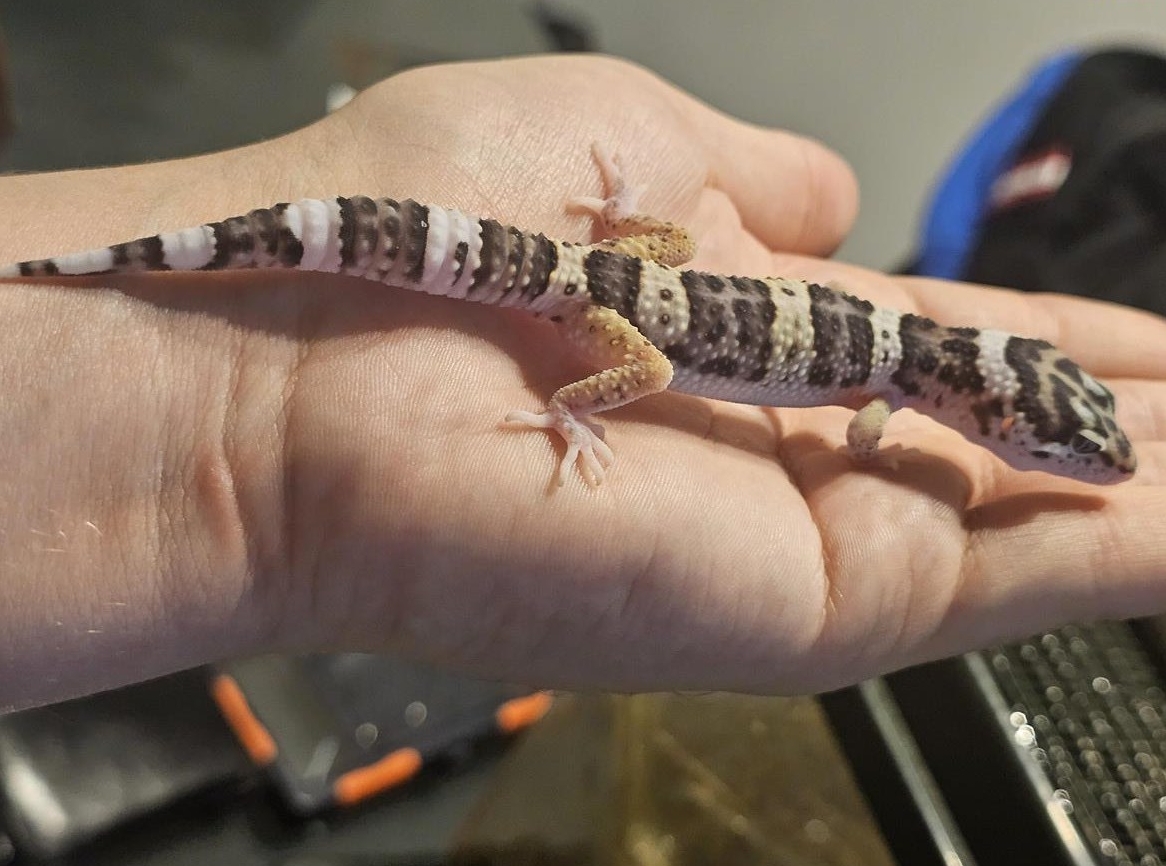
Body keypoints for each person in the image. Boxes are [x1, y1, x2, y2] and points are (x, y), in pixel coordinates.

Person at [0, 55, 1163, 710]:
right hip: (610, 307)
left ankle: (89, 257)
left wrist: (619, 229)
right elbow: (856, 436)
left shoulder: (896, 350)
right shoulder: (890, 394)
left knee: (579, 303)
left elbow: (858, 419)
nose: (1064, 459)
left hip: (609, 262)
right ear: (992, 409)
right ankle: (568, 400)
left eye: (1062, 450)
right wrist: (570, 404)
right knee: (649, 368)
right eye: (1058, 446)